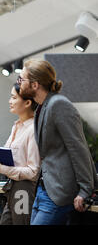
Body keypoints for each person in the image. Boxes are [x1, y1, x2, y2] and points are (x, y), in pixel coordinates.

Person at [18, 59, 97, 225]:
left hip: (58, 193)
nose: (19, 83)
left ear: (35, 85)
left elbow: (78, 148)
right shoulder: (42, 106)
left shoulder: (59, 104)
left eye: (22, 79)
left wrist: (85, 189)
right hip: (43, 190)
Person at [0, 83, 40, 225]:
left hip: (24, 188)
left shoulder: (33, 130)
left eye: (14, 97)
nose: (10, 101)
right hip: (13, 186)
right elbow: (11, 156)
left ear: (27, 102)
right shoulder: (17, 126)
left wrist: (0, 168)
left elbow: (33, 172)